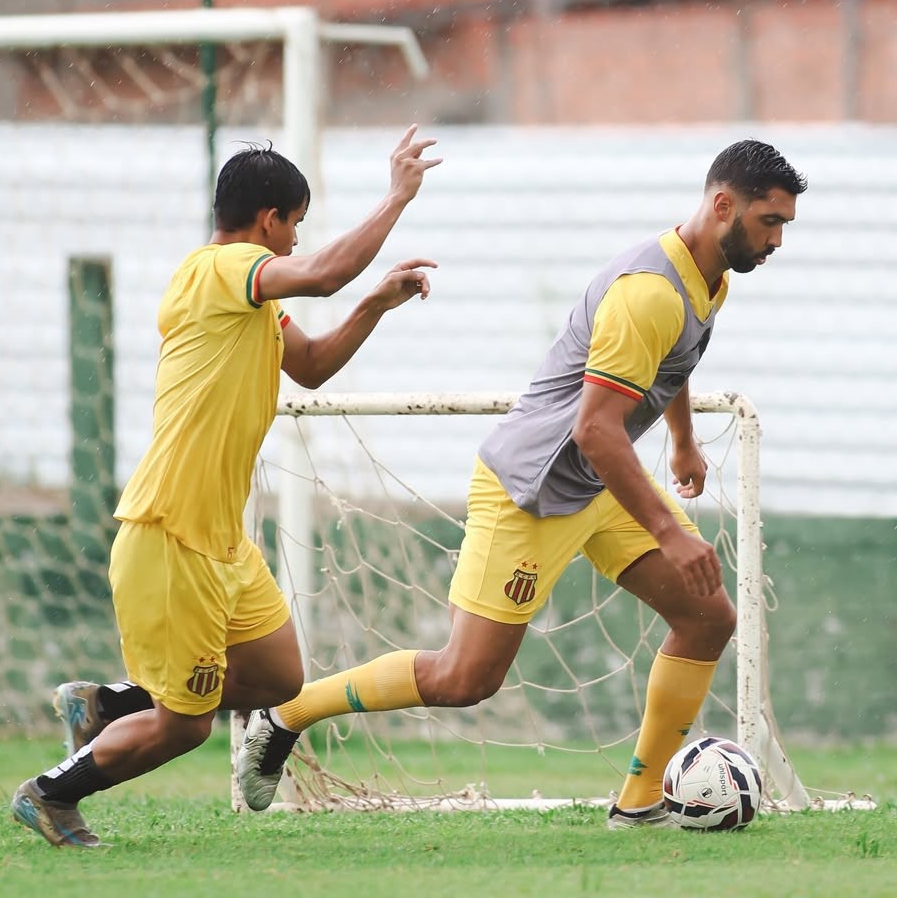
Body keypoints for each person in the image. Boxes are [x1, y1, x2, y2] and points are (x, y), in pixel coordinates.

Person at [236, 138, 807, 828]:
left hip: (596, 486)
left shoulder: (707, 276)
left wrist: (683, 439)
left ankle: (638, 802)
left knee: (708, 615)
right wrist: (667, 532)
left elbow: (672, 358)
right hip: (531, 490)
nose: (777, 240)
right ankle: (286, 715)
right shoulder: (648, 293)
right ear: (724, 205)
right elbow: (596, 429)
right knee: (463, 679)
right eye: (770, 222)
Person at [10, 125, 441, 847]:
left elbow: (310, 366)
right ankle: (51, 794)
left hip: (220, 542)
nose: (298, 241)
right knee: (186, 728)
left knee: (277, 677)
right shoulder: (219, 270)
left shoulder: (256, 300)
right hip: (171, 533)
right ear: (266, 220)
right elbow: (324, 273)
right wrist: (397, 198)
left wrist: (373, 306)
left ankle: (110, 702)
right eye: (296, 225)